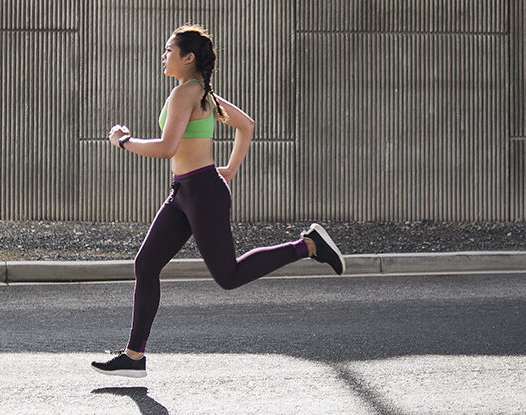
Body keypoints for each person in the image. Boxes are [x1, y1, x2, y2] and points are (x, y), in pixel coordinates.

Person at [91, 24, 345, 378]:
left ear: (188, 57)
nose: (164, 56)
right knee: (146, 264)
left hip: (202, 193)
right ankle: (135, 356)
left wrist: (124, 141)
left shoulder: (186, 94)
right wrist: (230, 169)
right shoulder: (202, 93)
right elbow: (248, 125)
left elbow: (167, 148)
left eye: (169, 51)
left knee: (228, 275)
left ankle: (308, 245)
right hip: (185, 192)